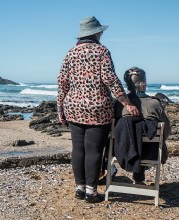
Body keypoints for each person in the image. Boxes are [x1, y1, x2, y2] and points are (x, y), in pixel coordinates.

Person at [57, 16, 139, 203]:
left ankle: (79, 188)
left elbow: (62, 82)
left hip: (74, 106)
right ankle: (91, 192)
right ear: (95, 33)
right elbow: (110, 78)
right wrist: (126, 102)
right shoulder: (101, 51)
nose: (101, 34)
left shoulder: (70, 53)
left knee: (78, 149)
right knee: (94, 150)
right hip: (98, 108)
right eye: (100, 31)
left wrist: (60, 108)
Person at [114, 67, 171, 184]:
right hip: (150, 152)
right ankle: (139, 177)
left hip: (122, 151)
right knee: (148, 140)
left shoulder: (119, 105)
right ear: (143, 84)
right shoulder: (155, 104)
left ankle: (106, 172)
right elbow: (166, 130)